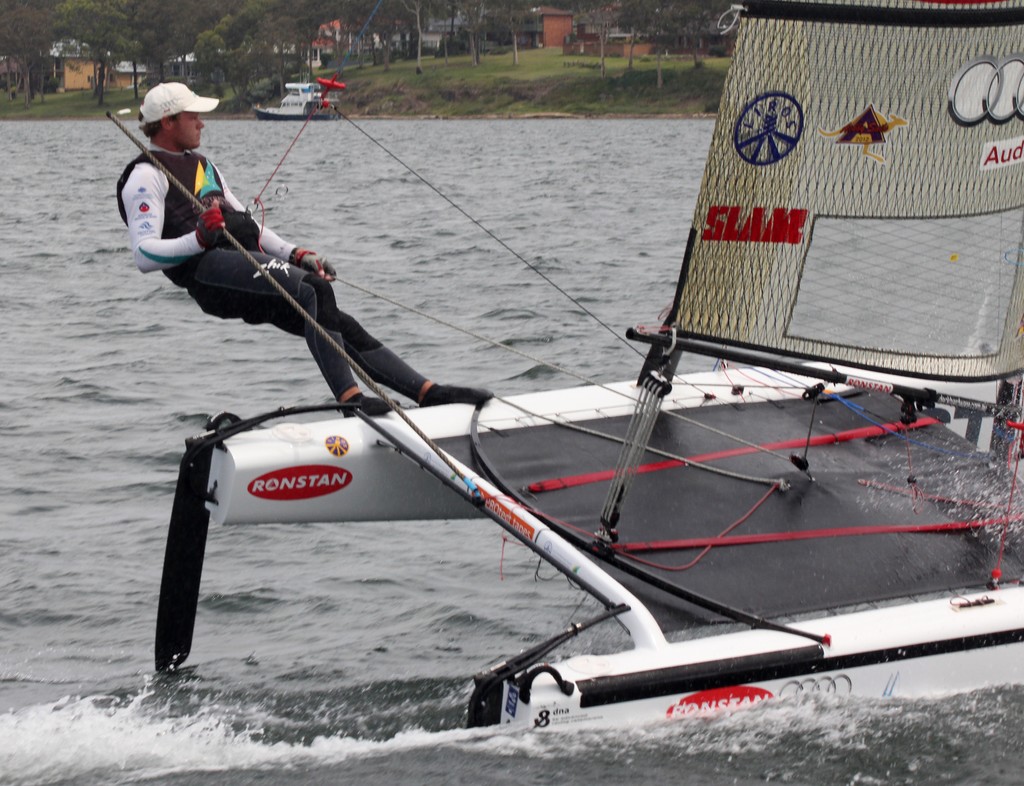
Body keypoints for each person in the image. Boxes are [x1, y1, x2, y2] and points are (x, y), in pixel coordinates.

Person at [116, 82, 490, 416]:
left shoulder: (204, 166)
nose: (202, 123)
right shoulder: (146, 175)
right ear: (167, 122)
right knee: (315, 289)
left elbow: (248, 226)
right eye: (194, 116)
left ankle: (427, 393)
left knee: (336, 320)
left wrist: (296, 254)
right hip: (209, 275)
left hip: (244, 265)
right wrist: (198, 238)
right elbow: (144, 255)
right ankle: (351, 401)